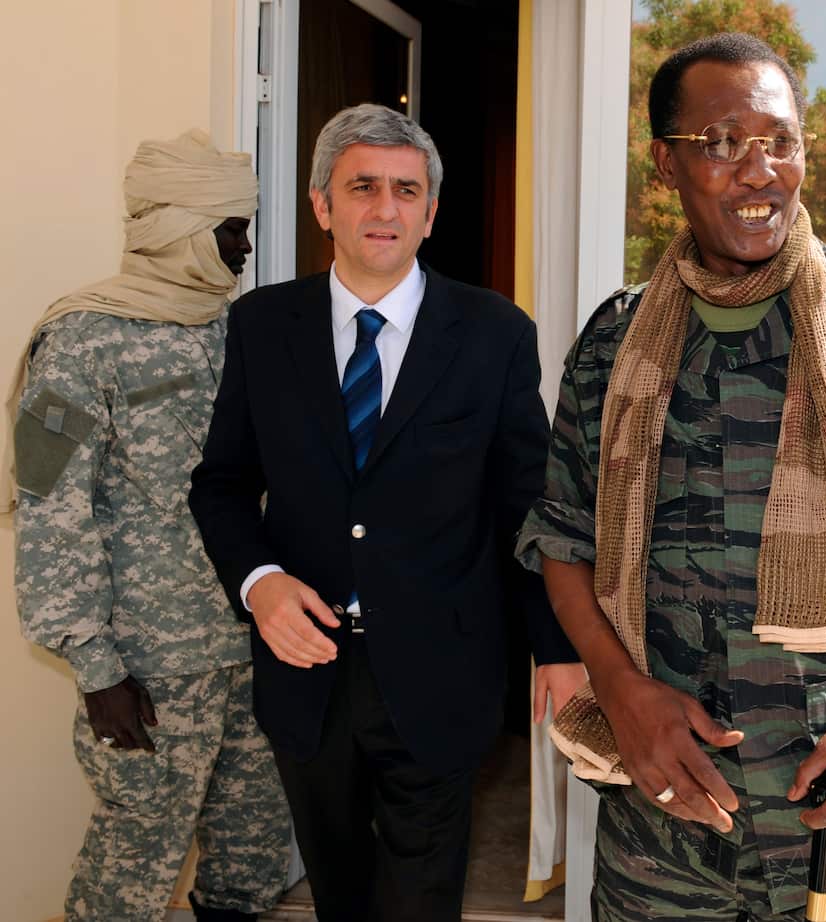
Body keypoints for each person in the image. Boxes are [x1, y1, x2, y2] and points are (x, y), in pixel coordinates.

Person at [516, 33, 826, 921]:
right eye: (721, 142)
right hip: (667, 820)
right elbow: (563, 545)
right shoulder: (613, 345)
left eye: (780, 141)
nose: (760, 171)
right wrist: (621, 690)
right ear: (664, 166)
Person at [188, 103, 583, 922]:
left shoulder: (492, 333)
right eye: (362, 186)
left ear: (431, 213)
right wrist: (259, 584)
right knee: (340, 892)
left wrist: (557, 647)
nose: (386, 207)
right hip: (306, 674)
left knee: (419, 898)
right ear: (321, 205)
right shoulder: (262, 327)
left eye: (407, 190)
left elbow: (528, 503)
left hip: (442, 674)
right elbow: (220, 482)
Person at [10, 130, 290, 921]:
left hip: (260, 648)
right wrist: (96, 668)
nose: (244, 247)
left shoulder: (250, 331)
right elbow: (51, 508)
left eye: (245, 226)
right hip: (152, 670)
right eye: (230, 229)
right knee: (132, 872)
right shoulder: (82, 341)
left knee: (255, 858)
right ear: (178, 228)